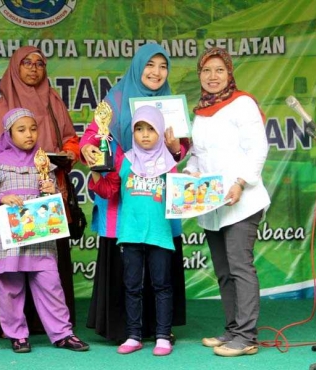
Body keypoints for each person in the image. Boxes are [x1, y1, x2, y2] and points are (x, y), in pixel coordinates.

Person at [80, 43, 189, 343]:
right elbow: (93, 135)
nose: (156, 72)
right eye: (149, 65)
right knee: (127, 268)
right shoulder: (115, 97)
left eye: (162, 66)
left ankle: (160, 330)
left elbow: (183, 150)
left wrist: (175, 148)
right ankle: (124, 330)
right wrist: (89, 148)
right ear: (138, 65)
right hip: (123, 194)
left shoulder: (171, 102)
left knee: (159, 265)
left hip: (157, 199)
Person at [0, 46, 79, 336]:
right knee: (11, 276)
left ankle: (59, 330)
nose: (34, 68)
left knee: (49, 272)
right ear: (14, 68)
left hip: (46, 196)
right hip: (12, 195)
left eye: (39, 64)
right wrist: (12, 161)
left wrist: (66, 154)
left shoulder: (54, 102)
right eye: (27, 63)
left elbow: (72, 139)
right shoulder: (0, 108)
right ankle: (16, 331)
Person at [183, 47, 270, 357]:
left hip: (241, 200)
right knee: (223, 269)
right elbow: (197, 155)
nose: (213, 76)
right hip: (212, 204)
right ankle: (233, 329)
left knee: (239, 266)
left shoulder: (242, 103)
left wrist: (240, 183)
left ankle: (247, 336)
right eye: (207, 71)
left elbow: (258, 149)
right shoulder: (200, 111)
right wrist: (190, 176)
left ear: (229, 73)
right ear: (200, 75)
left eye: (219, 70)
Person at [0, 108, 89, 353]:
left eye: (33, 128)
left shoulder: (44, 164)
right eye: (21, 130)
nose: (29, 134)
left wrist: (51, 191)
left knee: (51, 284)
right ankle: (17, 335)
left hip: (39, 236)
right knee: (10, 288)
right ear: (8, 134)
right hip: (9, 238)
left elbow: (53, 202)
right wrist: (2, 198)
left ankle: (62, 333)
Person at [89, 105, 178, 356]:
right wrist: (96, 172)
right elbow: (109, 191)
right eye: (139, 129)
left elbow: (181, 195)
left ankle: (162, 336)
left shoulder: (169, 164)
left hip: (159, 235)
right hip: (129, 234)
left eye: (151, 129)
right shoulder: (125, 161)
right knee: (132, 286)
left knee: (161, 286)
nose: (145, 134)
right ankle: (133, 335)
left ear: (160, 132)